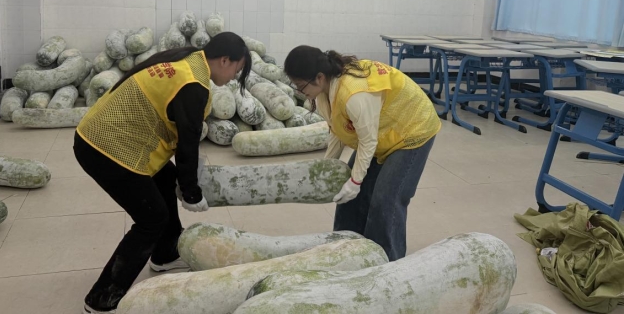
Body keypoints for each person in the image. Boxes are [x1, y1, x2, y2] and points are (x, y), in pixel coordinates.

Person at [74, 32, 251, 314]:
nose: (233, 78)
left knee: (166, 179)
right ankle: (102, 298)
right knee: (151, 219)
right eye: (236, 70)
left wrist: (183, 179)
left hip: (102, 135)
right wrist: (191, 193)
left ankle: (165, 254)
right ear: (224, 60)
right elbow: (187, 143)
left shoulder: (188, 60)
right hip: (107, 148)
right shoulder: (193, 84)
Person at [284, 46, 440, 262]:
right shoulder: (324, 94)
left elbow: (367, 141)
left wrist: (356, 181)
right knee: (350, 198)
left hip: (412, 128)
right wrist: (325, 167)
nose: (301, 92)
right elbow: (337, 130)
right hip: (383, 131)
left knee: (385, 199)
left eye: (301, 86)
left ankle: (386, 262)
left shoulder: (353, 94)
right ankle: (347, 252)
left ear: (319, 77)